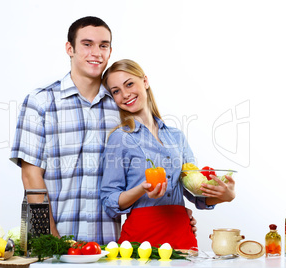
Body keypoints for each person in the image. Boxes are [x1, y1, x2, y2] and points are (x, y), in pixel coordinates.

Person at [10, 16, 197, 245]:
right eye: (87, 44)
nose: (96, 52)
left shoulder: (122, 105)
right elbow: (31, 176)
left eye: (103, 45)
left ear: (110, 51)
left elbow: (149, 165)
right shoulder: (40, 102)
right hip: (55, 237)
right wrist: (49, 239)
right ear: (70, 48)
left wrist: (172, 214)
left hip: (109, 245)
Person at [100, 59, 236, 250]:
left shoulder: (176, 137)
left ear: (145, 81)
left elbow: (197, 195)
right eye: (116, 91)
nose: (125, 94)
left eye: (129, 84)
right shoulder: (119, 138)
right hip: (141, 239)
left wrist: (225, 196)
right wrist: (142, 189)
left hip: (182, 235)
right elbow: (109, 201)